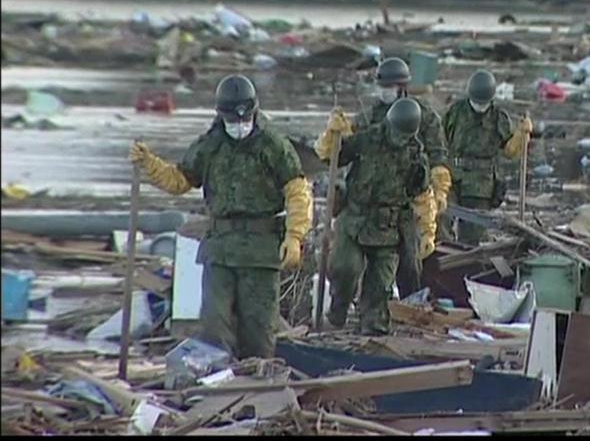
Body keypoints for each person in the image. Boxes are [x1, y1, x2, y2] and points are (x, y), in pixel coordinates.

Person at [128, 74, 312, 359]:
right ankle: (218, 381)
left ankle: (258, 385)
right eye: (233, 120)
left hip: (261, 249)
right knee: (214, 323)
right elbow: (179, 180)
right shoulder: (210, 146)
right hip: (221, 247)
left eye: (245, 119)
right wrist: (149, 164)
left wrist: (294, 235)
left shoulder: (273, 145)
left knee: (258, 327)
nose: (240, 126)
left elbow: (297, 190)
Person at [314, 98, 437, 335]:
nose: (400, 141)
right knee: (344, 268)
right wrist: (332, 134)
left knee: (379, 290)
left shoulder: (415, 156)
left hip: (388, 229)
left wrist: (427, 231)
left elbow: (423, 197)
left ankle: (371, 332)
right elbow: (330, 156)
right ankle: (337, 311)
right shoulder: (367, 140)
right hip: (355, 220)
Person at [352, 57, 451, 299]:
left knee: (412, 262)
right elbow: (351, 151)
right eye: (382, 87)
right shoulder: (369, 117)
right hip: (374, 199)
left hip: (412, 195)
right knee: (366, 264)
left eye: (390, 87)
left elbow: (438, 158)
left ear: (402, 87)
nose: (385, 93)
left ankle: (413, 303)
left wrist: (437, 194)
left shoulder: (423, 116)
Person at [439, 69, 533, 245]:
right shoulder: (456, 112)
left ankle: (468, 263)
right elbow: (441, 140)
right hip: (454, 176)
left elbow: (510, 151)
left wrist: (521, 135)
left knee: (473, 233)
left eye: (483, 103)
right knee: (441, 217)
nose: (479, 106)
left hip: (480, 183)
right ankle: (441, 259)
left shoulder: (499, 118)